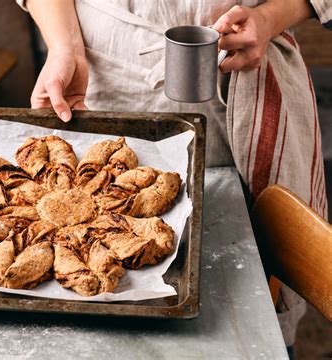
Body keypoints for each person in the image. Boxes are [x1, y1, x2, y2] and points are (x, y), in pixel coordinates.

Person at [17, 0, 330, 353]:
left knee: (242, 313)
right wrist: (65, 47)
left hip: (240, 79)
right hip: (100, 81)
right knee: (105, 333)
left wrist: (269, 18)